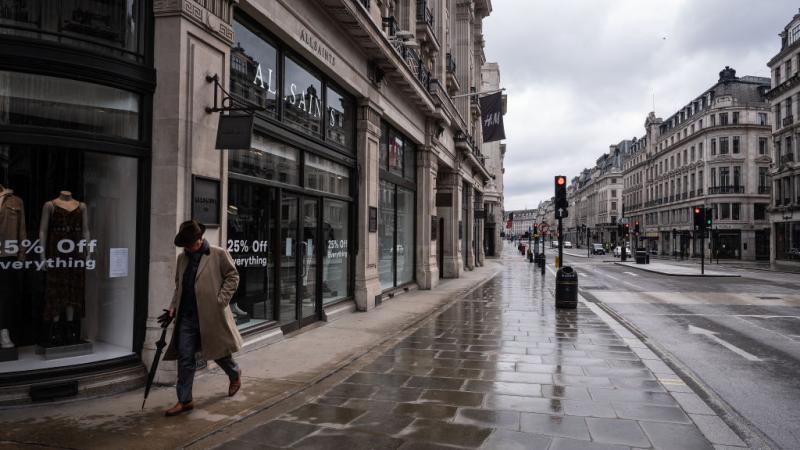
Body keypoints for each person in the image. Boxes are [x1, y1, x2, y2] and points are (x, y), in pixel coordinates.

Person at [163, 220, 243, 417]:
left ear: (200, 239)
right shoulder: (182, 258)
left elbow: (233, 276)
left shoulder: (217, 253)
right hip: (187, 316)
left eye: (190, 243)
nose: (187, 248)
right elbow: (178, 286)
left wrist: (221, 300)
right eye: (185, 244)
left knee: (218, 352)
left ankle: (234, 374)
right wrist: (173, 307)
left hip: (211, 314)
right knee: (185, 357)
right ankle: (185, 400)